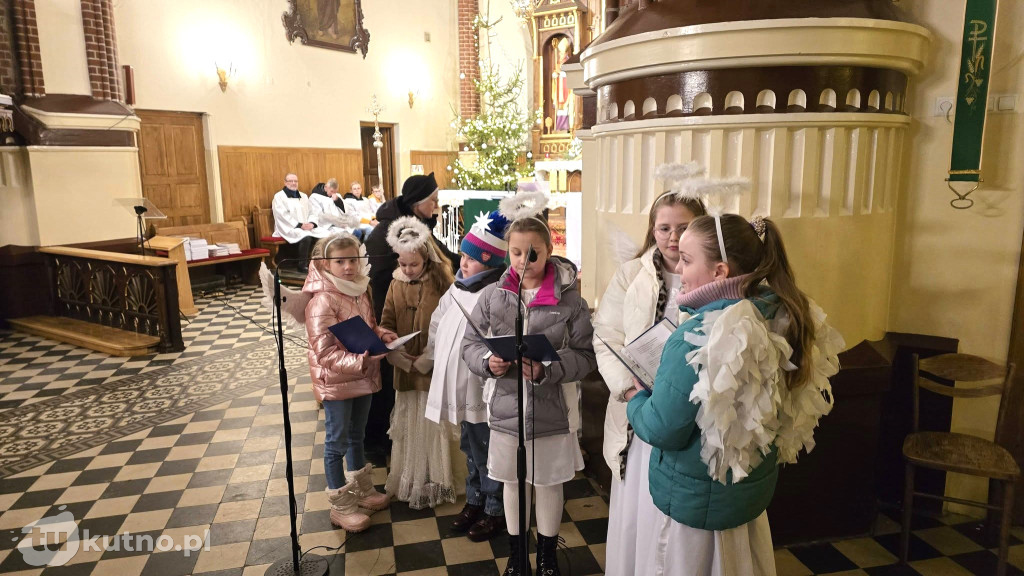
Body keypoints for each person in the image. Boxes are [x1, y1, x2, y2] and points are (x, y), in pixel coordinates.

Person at [625, 212, 843, 575]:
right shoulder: (782, 315)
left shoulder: (695, 337)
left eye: (687, 259)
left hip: (694, 505)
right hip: (745, 496)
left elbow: (663, 429)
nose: (679, 268)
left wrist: (636, 400)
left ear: (720, 272)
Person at [462, 190, 596, 576]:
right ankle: (518, 556)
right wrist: (490, 362)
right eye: (517, 252)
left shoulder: (570, 301)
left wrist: (547, 370)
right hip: (507, 408)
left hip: (551, 407)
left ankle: (548, 557)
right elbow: (471, 345)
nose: (524, 260)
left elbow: (586, 356)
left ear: (549, 250)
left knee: (549, 482)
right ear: (508, 253)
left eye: (533, 252)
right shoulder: (492, 296)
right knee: (512, 482)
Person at [593, 192, 706, 575]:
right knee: (640, 505)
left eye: (684, 227)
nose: (673, 237)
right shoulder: (631, 275)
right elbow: (606, 336)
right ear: (652, 230)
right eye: (664, 228)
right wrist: (628, 389)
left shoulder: (713, 275)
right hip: (639, 411)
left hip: (692, 413)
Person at [424, 209, 510, 541]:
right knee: (469, 446)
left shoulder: (496, 293)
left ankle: (495, 508)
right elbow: (438, 321)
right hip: (458, 384)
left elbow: (497, 336)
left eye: (471, 259)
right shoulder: (458, 288)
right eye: (461, 255)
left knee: (487, 447)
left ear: (488, 263)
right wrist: (433, 356)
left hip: (481, 385)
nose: (463, 263)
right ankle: (474, 499)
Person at [303, 233, 397, 532]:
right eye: (340, 261)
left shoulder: (359, 290)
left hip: (362, 376)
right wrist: (359, 363)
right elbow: (324, 352)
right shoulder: (322, 300)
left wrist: (381, 334)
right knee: (336, 442)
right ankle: (341, 506)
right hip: (337, 381)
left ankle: (364, 491)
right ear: (325, 264)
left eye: (353, 260)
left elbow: (367, 327)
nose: (347, 267)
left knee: (358, 434)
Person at [363, 172, 459, 456]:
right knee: (386, 384)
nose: (436, 207)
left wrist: (464, 264)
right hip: (389, 319)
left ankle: (408, 444)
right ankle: (377, 442)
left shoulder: (411, 224)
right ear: (417, 203)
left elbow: (441, 255)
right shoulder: (395, 233)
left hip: (405, 321)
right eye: (433, 201)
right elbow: (379, 281)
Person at [378, 216, 456, 509]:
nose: (407, 270)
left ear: (427, 258)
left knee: (432, 427)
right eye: (402, 264)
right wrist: (393, 350)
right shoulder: (395, 284)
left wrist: (429, 357)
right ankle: (411, 477)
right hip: (404, 368)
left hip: (431, 368)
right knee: (411, 426)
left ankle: (435, 480)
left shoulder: (442, 283)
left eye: (414, 264)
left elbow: (450, 325)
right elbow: (386, 321)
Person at [272, 173, 325, 273]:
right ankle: (302, 265)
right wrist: (300, 225)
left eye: (295, 181)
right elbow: (281, 215)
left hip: (306, 226)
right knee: (306, 237)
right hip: (288, 227)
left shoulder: (304, 196)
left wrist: (312, 223)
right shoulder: (279, 197)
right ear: (285, 182)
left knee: (323, 234)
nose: (293, 183)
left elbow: (312, 212)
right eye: (290, 181)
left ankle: (320, 263)